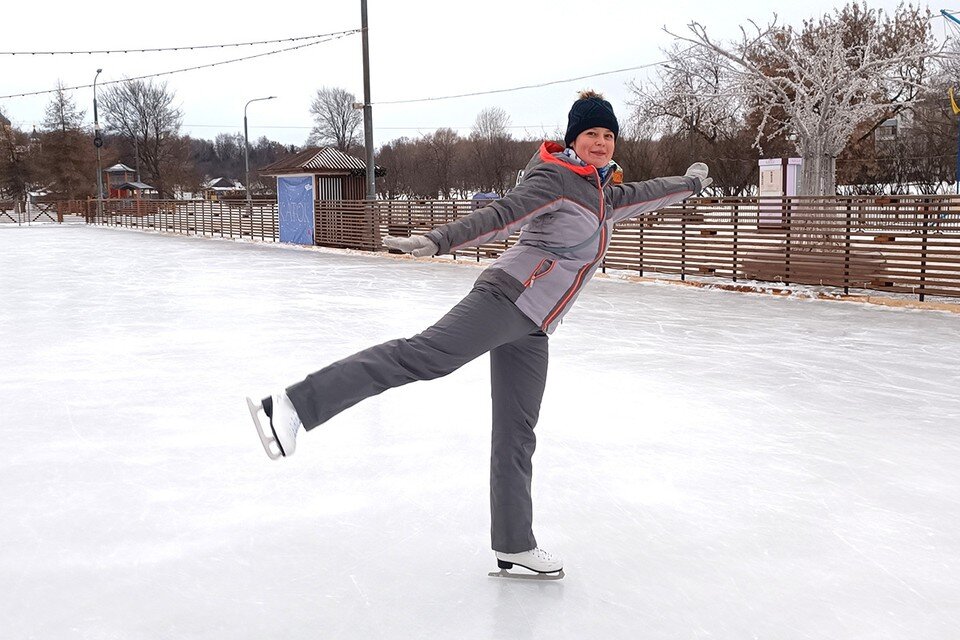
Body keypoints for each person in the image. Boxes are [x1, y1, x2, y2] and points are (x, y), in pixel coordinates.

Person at [247, 90, 711, 576]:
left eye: (608, 135)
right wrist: (438, 240)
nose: (600, 142)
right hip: (506, 298)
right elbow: (501, 215)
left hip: (534, 326)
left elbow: (649, 192)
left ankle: (515, 542)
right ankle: (292, 405)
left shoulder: (601, 195)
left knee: (517, 431)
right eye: (591, 133)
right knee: (423, 357)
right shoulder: (556, 179)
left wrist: (692, 183)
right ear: (574, 138)